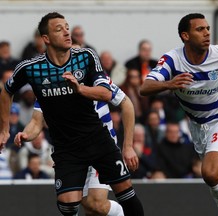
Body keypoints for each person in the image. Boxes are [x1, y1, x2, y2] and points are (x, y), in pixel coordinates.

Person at [0, 12, 144, 216]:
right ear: (46, 39)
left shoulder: (86, 59)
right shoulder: (35, 72)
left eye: (67, 27)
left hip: (98, 140)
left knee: (104, 201)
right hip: (67, 147)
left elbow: (111, 97)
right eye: (59, 29)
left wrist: (127, 146)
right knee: (71, 205)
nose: (66, 31)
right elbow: (15, 99)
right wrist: (13, 132)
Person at [140, 13, 218, 215]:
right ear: (185, 36)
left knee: (210, 174)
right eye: (200, 29)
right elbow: (144, 87)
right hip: (198, 128)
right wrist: (169, 83)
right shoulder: (173, 59)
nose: (207, 33)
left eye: (207, 28)